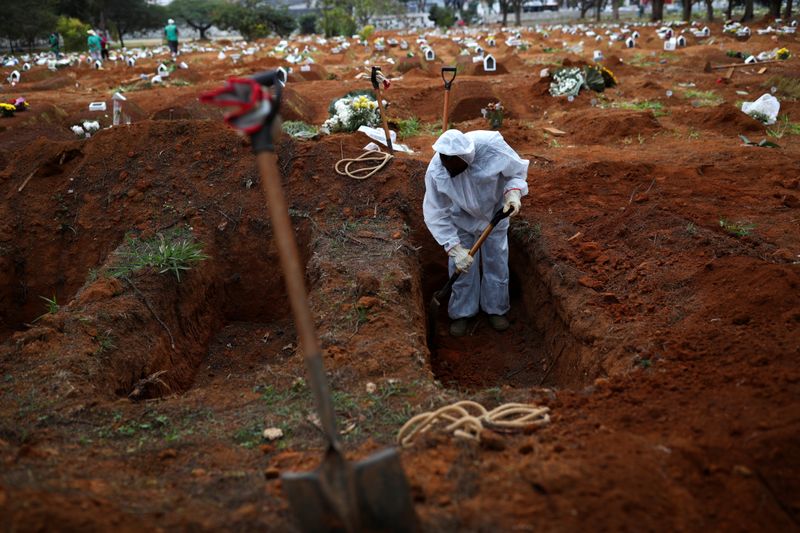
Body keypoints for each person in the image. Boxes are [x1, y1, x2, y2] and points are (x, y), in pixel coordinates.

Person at [423, 129, 529, 337]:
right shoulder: (437, 170)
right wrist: (453, 248)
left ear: (465, 158)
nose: (449, 171)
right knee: (461, 267)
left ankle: (496, 309)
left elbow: (516, 173)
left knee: (496, 262)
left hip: (495, 215)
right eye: (444, 163)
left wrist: (513, 194)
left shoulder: (492, 147)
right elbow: (436, 213)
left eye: (454, 167)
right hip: (461, 220)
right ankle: (462, 313)